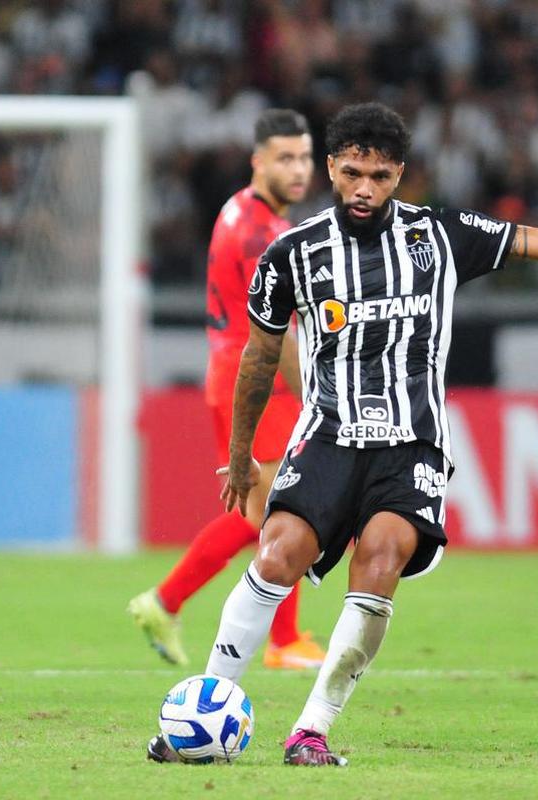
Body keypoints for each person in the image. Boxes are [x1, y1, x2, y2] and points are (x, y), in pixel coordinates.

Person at [147, 102, 538, 766]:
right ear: (332, 170)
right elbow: (257, 360)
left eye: (380, 175)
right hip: (329, 433)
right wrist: (242, 458)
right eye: (352, 172)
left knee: (379, 561)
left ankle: (310, 731)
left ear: (399, 173)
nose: (364, 188)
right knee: (277, 553)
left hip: (411, 443)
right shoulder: (292, 254)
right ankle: (207, 705)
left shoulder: (440, 235)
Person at [128, 109, 326, 671]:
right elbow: (279, 331)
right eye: (284, 157)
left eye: (304, 157)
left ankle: (178, 606)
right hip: (257, 382)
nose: (297, 169)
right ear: (258, 160)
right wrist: (316, 399)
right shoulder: (266, 233)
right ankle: (271, 637)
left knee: (263, 512)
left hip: (229, 373)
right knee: (281, 509)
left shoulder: (235, 210)